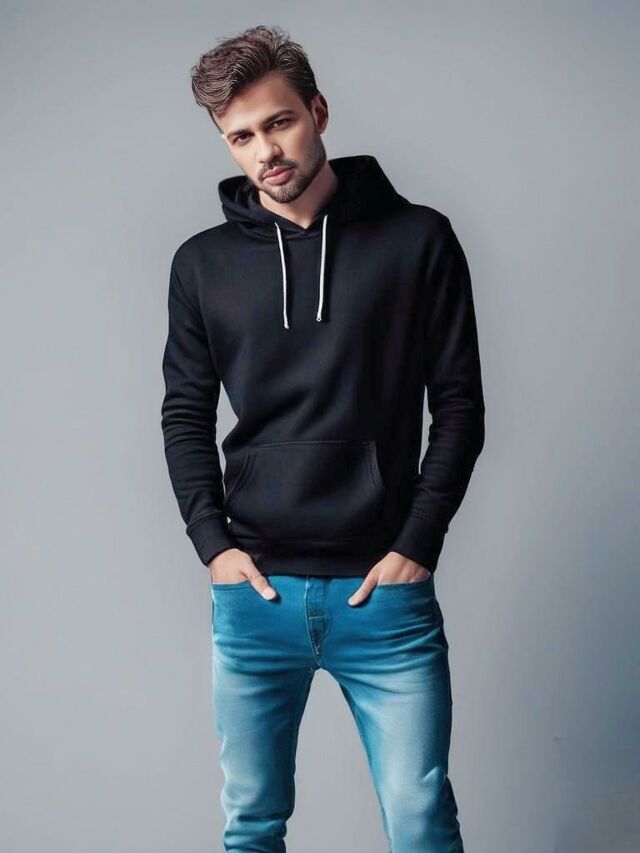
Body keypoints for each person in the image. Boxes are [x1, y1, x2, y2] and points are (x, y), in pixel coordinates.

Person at [160, 24, 485, 853]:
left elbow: (459, 405)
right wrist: (212, 546)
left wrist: (418, 542)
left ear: (318, 111)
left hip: (383, 594)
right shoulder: (201, 265)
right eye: (241, 136)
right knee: (251, 825)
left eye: (279, 122)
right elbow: (185, 412)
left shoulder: (418, 240)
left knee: (420, 822)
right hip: (256, 596)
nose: (265, 151)